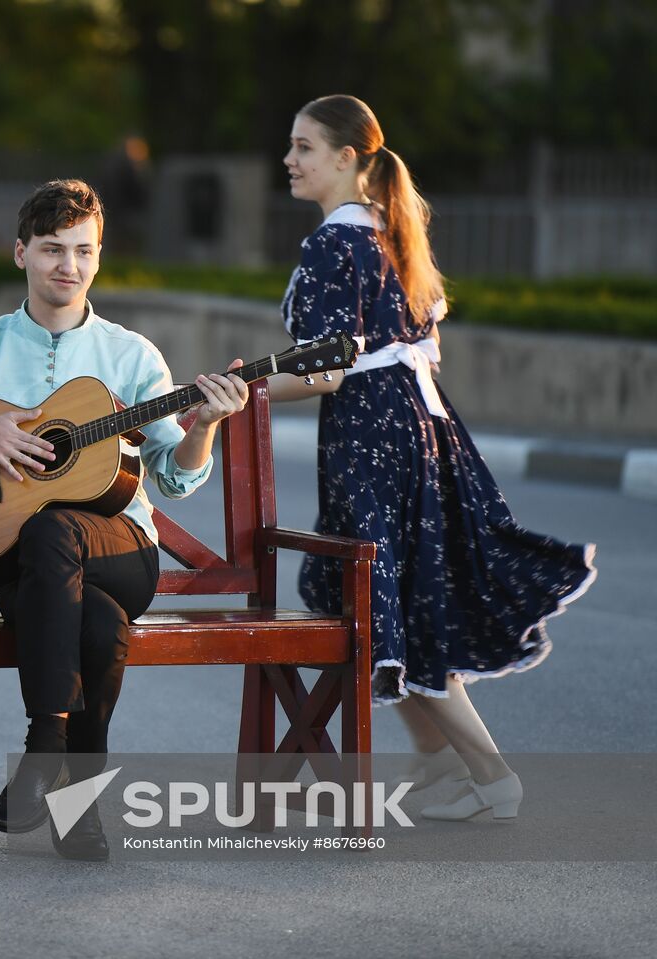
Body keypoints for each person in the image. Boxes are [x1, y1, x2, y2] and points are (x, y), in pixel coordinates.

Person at [0, 179, 248, 860]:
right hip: (18, 562)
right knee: (94, 621)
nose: (68, 265)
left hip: (123, 549)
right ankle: (79, 805)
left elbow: (175, 478)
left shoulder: (130, 355)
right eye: (51, 249)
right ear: (20, 253)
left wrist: (204, 428)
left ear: (99, 257)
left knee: (59, 530)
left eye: (83, 250)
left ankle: (44, 744)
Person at [269, 95, 596, 821]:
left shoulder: (333, 243)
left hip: (370, 438)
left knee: (384, 601)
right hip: (417, 430)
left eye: (304, 147)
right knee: (377, 596)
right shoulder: (390, 232)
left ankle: (490, 774)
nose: (289, 160)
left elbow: (324, 370)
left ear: (349, 158)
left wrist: (245, 392)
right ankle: (439, 762)